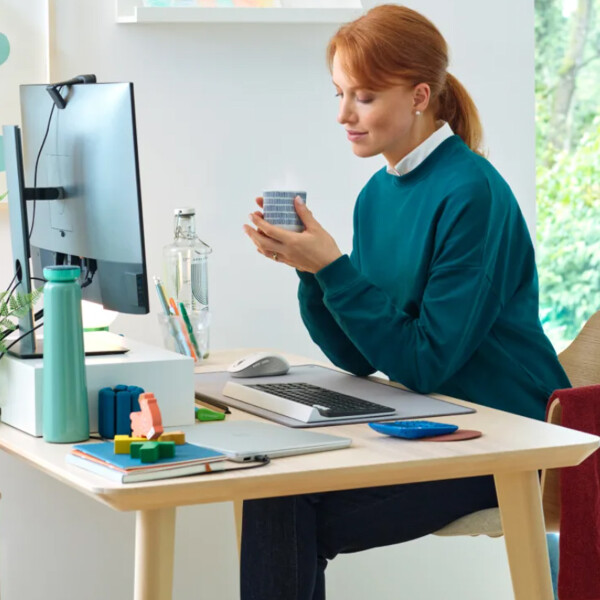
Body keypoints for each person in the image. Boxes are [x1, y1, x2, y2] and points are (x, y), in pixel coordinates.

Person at [242, 4, 569, 599]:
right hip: (436, 422)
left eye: (363, 97)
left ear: (419, 96)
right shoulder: (377, 194)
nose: (344, 115)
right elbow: (360, 356)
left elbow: (425, 362)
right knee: (274, 489)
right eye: (339, 94)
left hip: (506, 434)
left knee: (284, 508)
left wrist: (333, 267)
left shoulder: (471, 193)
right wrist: (310, 272)